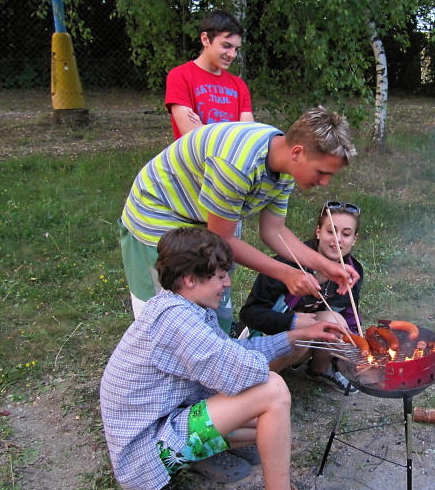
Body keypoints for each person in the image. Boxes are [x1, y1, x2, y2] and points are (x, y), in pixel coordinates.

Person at [100, 227, 348, 490]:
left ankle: (206, 464)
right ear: (190, 279)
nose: (227, 283)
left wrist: (298, 335)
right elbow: (239, 369)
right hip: (143, 452)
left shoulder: (181, 307)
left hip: (160, 424)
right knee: (272, 391)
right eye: (220, 276)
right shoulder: (177, 322)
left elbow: (232, 352)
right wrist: (282, 352)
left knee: (267, 424)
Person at [120, 106, 359, 334]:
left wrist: (326, 266)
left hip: (203, 221)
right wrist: (287, 274)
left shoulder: (285, 165)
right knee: (166, 316)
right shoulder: (236, 164)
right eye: (322, 172)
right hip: (160, 215)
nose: (325, 183)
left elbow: (274, 230)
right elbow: (222, 239)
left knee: (212, 307)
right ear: (297, 153)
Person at [237, 201, 363, 393]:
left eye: (346, 234)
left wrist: (354, 341)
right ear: (318, 231)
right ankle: (259, 387)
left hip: (308, 334)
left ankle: (320, 369)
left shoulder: (352, 271)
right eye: (331, 231)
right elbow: (249, 314)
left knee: (336, 322)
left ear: (354, 239)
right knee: (305, 333)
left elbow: (349, 312)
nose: (337, 240)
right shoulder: (287, 264)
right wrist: (291, 322)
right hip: (268, 336)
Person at [165, 10, 254, 141]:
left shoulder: (239, 85)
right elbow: (191, 135)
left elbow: (247, 137)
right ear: (205, 39)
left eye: (236, 49)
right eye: (226, 46)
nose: (232, 54)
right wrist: (233, 135)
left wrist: (203, 129)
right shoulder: (180, 76)